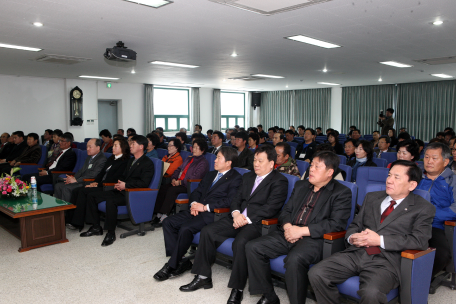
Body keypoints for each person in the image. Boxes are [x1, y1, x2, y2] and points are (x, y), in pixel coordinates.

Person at [309, 160, 435, 304]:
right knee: (316, 273)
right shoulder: (373, 197)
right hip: (356, 252)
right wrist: (352, 237)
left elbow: (419, 240)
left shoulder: (423, 208)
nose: (389, 180)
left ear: (412, 185)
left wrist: (379, 240)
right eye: (389, 175)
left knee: (371, 293)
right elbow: (355, 224)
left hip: (386, 261)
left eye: (396, 177)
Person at [179, 145, 288, 304]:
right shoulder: (248, 177)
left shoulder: (280, 181)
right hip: (237, 217)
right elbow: (236, 199)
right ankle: (203, 277)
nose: (256, 163)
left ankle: (238, 289)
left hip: (257, 223)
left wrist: (245, 219)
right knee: (208, 231)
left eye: (260, 161)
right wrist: (236, 213)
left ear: (271, 164)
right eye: (255, 160)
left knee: (240, 243)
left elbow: (271, 207)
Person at [246, 151, 352, 304]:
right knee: (253, 247)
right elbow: (286, 211)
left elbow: (336, 223)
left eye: (317, 166)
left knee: (294, 259)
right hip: (289, 232)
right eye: (311, 165)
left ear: (330, 172)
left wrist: (302, 231)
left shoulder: (341, 192)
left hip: (314, 239)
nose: (311, 169)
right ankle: (269, 296)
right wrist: (288, 226)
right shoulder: (301, 185)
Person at [154, 147, 243, 281]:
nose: (215, 160)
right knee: (168, 222)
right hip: (197, 209)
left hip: (213, 214)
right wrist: (194, 203)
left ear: (229, 162)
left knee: (186, 228)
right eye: (216, 157)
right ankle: (182, 261)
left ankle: (171, 265)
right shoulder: (211, 174)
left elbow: (230, 200)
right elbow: (197, 191)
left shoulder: (236, 178)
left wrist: (205, 207)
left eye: (219, 158)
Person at [80, 135, 154, 247]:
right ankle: (96, 227)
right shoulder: (131, 161)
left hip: (133, 194)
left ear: (141, 147)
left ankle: (110, 233)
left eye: (133, 144)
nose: (131, 146)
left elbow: (144, 183)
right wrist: (120, 184)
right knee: (91, 195)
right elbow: (124, 176)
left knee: (111, 201)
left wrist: (126, 185)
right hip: (122, 190)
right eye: (131, 143)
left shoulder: (147, 163)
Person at [66, 138, 130, 231]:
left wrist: (98, 185)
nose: (113, 147)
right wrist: (94, 182)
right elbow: (101, 174)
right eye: (113, 145)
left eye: (116, 145)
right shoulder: (111, 159)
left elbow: (116, 178)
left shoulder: (125, 161)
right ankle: (69, 219)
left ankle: (78, 223)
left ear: (123, 148)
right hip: (101, 184)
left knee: (84, 191)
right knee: (76, 190)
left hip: (109, 186)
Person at [416, 142, 456, 278]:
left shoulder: (453, 181)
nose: (429, 161)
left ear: (445, 161)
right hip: (410, 221)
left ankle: (420, 280)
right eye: (426, 157)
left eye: (434, 158)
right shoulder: (416, 178)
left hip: (435, 225)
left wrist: (429, 215)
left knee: (441, 254)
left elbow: (455, 209)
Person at [154, 138, 209, 225]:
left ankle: (165, 215)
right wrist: (174, 178)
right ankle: (158, 213)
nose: (194, 150)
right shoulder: (189, 158)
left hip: (189, 185)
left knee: (172, 190)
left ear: (202, 150)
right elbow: (178, 169)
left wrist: (180, 182)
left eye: (196, 148)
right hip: (178, 182)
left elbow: (195, 177)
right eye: (193, 147)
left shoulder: (203, 163)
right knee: (163, 188)